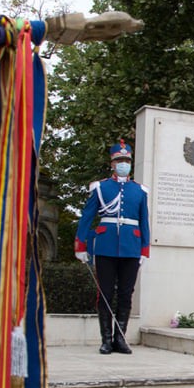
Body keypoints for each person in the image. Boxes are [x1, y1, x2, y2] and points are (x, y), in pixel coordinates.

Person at [75, 140, 150, 355]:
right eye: (119, 160)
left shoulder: (140, 191)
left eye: (126, 160)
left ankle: (120, 338)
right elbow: (87, 217)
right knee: (105, 293)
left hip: (131, 247)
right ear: (112, 163)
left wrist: (144, 249)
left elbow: (144, 222)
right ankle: (106, 339)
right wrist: (81, 245)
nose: (123, 164)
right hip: (106, 246)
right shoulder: (101, 188)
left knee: (126, 294)